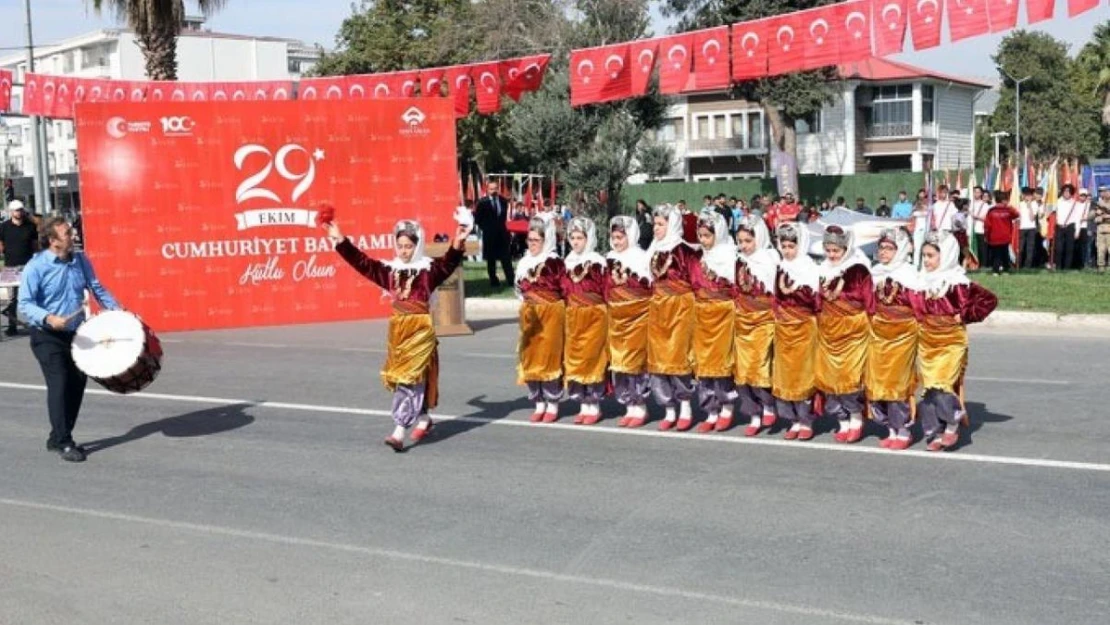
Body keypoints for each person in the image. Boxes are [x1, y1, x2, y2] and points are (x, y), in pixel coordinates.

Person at [327, 214, 469, 451]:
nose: (403, 251)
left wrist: (457, 242)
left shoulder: (428, 271)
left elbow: (448, 263)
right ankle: (423, 418)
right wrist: (340, 240)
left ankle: (399, 430)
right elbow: (363, 263)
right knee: (406, 377)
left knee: (409, 379)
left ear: (418, 245)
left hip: (420, 329)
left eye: (409, 246)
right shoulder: (389, 271)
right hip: (398, 329)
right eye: (400, 246)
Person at [18, 217, 121, 462]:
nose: (73, 236)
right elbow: (24, 304)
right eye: (67, 234)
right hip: (46, 335)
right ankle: (64, 442)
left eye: (71, 232)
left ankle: (58, 436)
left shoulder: (80, 260)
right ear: (53, 241)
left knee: (77, 383)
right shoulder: (36, 267)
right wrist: (48, 317)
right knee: (60, 382)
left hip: (75, 333)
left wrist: (118, 313)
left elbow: (97, 288)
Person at [918, 233, 997, 452]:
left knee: (941, 383)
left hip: (951, 341)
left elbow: (989, 300)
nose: (926, 260)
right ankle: (933, 432)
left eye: (931, 256)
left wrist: (964, 316)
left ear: (947, 255)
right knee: (929, 390)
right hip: (926, 342)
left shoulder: (958, 283)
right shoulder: (920, 281)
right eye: (923, 255)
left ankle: (952, 422)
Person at [815, 224, 873, 444]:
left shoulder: (858, 270)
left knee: (849, 378)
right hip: (828, 330)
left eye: (836, 251)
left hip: (852, 331)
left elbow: (869, 302)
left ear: (846, 249)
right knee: (830, 379)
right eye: (828, 251)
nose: (832, 255)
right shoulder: (822, 269)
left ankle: (856, 417)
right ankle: (842, 419)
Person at [867, 228, 922, 451]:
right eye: (881, 248)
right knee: (879, 380)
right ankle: (890, 428)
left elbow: (918, 306)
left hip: (903, 334)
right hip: (878, 333)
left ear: (900, 250)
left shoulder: (910, 274)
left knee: (898, 382)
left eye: (890, 248)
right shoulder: (875, 272)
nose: (884, 252)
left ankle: (904, 429)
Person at [647, 205, 699, 431]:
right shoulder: (653, 249)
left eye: (661, 224)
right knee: (659, 360)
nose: (656, 229)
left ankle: (685, 406)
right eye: (655, 224)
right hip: (658, 306)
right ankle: (668, 408)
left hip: (680, 307)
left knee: (678, 358)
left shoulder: (684, 250)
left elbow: (696, 280)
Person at [731, 215, 779, 437]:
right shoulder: (739, 260)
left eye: (748, 241)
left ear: (759, 238)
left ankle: (768, 405)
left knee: (760, 366)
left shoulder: (770, 259)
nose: (744, 246)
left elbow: (777, 291)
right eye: (740, 241)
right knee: (743, 371)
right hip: (743, 319)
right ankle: (753, 413)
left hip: (764, 319)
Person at [773, 222, 821, 441]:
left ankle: (806, 419)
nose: (787, 250)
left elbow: (815, 301)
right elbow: (776, 296)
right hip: (783, 328)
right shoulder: (781, 267)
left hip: (803, 327)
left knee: (802, 375)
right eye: (783, 245)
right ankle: (791, 419)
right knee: (785, 375)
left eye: (792, 246)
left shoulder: (809, 269)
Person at [690, 210, 737, 433]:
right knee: (704, 365)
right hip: (702, 315)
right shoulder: (700, 257)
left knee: (721, 365)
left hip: (723, 314)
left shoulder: (729, 256)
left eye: (707, 235)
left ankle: (726, 408)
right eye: (700, 235)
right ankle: (710, 410)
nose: (703, 240)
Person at [516, 215, 566, 423]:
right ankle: (538, 401)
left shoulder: (554, 262)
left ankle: (552, 402)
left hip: (551, 315)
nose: (532, 244)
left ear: (546, 241)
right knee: (530, 357)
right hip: (530, 315)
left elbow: (565, 290)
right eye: (530, 240)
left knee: (549, 358)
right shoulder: (524, 262)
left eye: (536, 240)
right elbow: (518, 289)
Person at [606, 215, 653, 427]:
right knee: (620, 363)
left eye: (621, 237)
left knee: (635, 363)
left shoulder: (640, 258)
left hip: (638, 316)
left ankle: (640, 405)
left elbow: (650, 288)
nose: (617, 242)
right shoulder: (608, 258)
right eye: (614, 237)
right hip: (616, 318)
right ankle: (628, 405)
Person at [561, 217, 609, 425]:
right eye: (572, 237)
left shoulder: (597, 262)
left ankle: (594, 404)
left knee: (593, 359)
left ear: (588, 238)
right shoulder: (567, 262)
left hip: (594, 315)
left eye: (580, 237)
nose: (575, 242)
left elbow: (606, 290)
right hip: (573, 316)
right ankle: (582, 403)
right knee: (576, 360)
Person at [0, 200, 39, 335]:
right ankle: (12, 325)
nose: (19, 212)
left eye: (21, 209)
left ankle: (36, 324)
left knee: (31, 295)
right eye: (16, 210)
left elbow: (35, 246)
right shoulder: (3, 227)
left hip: (27, 266)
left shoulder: (30, 227)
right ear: (11, 212)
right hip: (10, 267)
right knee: (12, 299)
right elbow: (1, 246)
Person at [474, 181, 515, 287]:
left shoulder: (503, 201)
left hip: (502, 234)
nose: (493, 191)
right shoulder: (482, 202)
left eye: (495, 188)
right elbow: (477, 219)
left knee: (506, 258)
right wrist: (487, 229)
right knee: (491, 259)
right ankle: (494, 281)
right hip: (489, 235)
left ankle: (511, 280)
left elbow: (503, 218)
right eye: (491, 189)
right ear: (487, 190)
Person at [983, 191, 1019, 276]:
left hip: (994, 237)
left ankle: (995, 271)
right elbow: (1017, 214)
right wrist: (1010, 207)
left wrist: (986, 235)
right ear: (1003, 200)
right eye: (1006, 200)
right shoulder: (1008, 210)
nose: (1008, 201)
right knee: (1004, 254)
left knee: (996, 254)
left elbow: (987, 225)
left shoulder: (991, 211)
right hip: (1005, 236)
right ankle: (1006, 270)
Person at [1054, 184, 1082, 270]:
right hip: (1059, 226)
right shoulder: (1057, 202)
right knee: (1059, 248)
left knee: (1069, 248)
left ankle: (1067, 267)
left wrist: (1077, 231)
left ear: (1071, 193)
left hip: (1070, 226)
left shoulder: (1075, 203)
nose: (1066, 193)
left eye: (1068, 191)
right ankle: (1058, 266)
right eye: (1065, 191)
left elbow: (1078, 218)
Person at [1016, 187, 1042, 269]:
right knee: (1020, 247)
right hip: (1022, 228)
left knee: (1030, 248)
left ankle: (1027, 266)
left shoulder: (1034, 204)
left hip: (1031, 228)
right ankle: (1018, 264)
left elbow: (1032, 218)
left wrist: (1030, 206)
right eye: (1026, 195)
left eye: (1030, 195)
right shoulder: (1020, 204)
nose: (1028, 197)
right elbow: (1017, 217)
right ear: (1023, 196)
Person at [968, 186, 991, 267]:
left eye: (978, 192)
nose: (976, 194)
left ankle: (983, 265)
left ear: (981, 193)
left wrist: (976, 217)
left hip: (980, 229)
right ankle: (973, 264)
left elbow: (986, 219)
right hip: (971, 230)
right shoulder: (970, 204)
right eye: (975, 192)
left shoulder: (985, 205)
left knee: (982, 249)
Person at [1095, 186, 1110, 273]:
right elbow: (1096, 219)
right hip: (1101, 230)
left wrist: (1106, 216)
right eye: (1103, 192)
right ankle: (1101, 267)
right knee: (1100, 250)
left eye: (1106, 191)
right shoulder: (1099, 204)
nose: (1105, 193)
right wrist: (1101, 218)